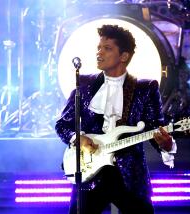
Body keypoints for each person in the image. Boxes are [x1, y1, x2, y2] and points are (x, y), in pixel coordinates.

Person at [55, 24, 177, 214]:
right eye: (99, 48)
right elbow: (62, 124)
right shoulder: (85, 85)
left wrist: (167, 146)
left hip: (128, 174)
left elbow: (155, 128)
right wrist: (76, 138)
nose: (99, 52)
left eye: (107, 48)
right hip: (90, 172)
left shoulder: (145, 88)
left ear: (124, 56)